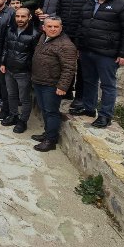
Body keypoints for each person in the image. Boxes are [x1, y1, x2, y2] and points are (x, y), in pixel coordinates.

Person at [71, 0, 124, 128]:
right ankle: (89, 108)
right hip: (87, 51)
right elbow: (81, 27)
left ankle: (105, 115)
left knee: (108, 85)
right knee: (89, 81)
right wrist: (78, 46)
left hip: (107, 54)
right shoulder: (88, 4)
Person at [30, 17, 77, 152]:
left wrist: (62, 86)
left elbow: (69, 68)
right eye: (49, 26)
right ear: (44, 28)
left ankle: (51, 140)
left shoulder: (66, 45)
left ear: (61, 28)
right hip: (39, 81)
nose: (52, 29)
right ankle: (47, 133)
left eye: (56, 27)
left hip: (51, 85)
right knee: (44, 110)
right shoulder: (43, 38)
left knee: (51, 112)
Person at [58, 0, 93, 106]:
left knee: (82, 67)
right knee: (64, 64)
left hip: (83, 35)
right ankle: (65, 91)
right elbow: (59, 10)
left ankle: (80, 97)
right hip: (65, 34)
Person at [0, 8, 39, 133]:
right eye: (18, 16)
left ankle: (23, 121)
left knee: (24, 98)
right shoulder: (10, 29)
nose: (20, 19)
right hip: (9, 69)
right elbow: (5, 47)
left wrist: (31, 71)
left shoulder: (35, 34)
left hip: (23, 72)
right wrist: (3, 62)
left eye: (23, 17)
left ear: (29, 17)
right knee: (11, 95)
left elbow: (35, 56)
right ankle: (13, 115)